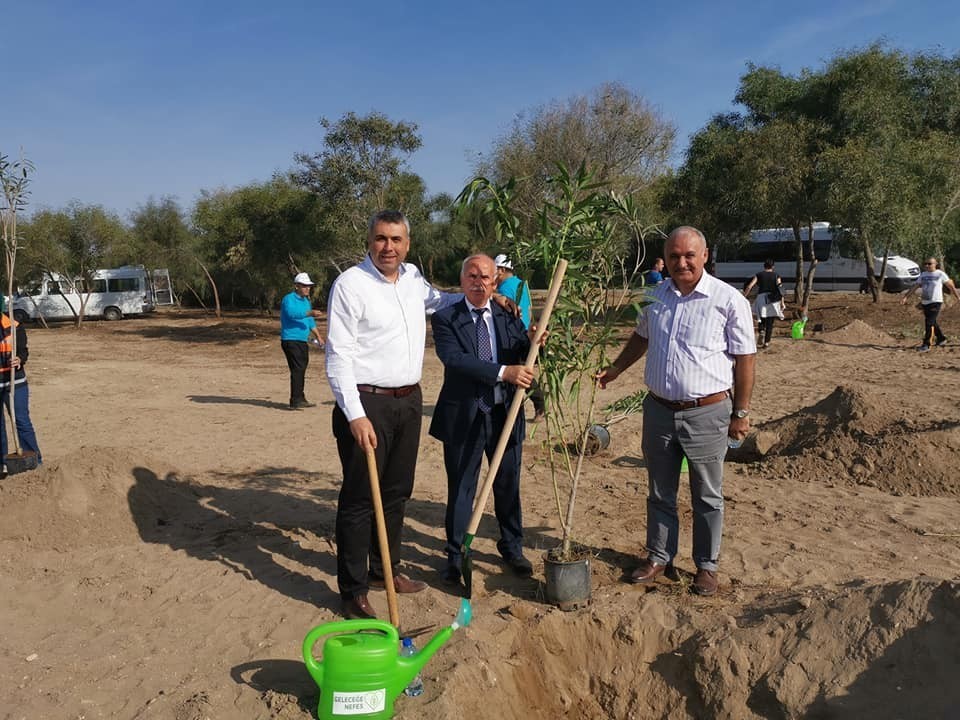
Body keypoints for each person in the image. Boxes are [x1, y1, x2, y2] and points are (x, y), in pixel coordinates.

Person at [325, 210, 517, 619]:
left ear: (407, 244)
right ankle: (353, 589)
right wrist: (355, 414)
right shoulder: (350, 285)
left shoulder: (413, 279)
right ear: (370, 241)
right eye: (380, 239)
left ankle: (386, 571)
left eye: (396, 239)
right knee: (360, 498)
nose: (388, 247)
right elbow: (337, 356)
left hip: (409, 401)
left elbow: (446, 299)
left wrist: (490, 296)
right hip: (367, 401)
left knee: (396, 493)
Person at [596, 226, 756, 597]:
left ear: (704, 256)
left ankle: (706, 566)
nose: (681, 262)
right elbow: (641, 336)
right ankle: (658, 556)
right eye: (673, 256)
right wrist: (618, 367)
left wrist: (741, 413)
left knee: (707, 494)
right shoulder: (655, 295)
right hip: (658, 411)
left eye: (688, 255)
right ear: (665, 259)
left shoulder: (728, 300)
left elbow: (745, 360)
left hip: (708, 412)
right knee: (659, 489)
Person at [430, 254, 538, 587]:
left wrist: (536, 341)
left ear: (496, 281)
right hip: (464, 416)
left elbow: (523, 351)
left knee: (508, 484)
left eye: (487, 277)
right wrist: (505, 373)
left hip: (504, 415)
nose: (480, 283)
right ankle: (455, 555)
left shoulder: (507, 316)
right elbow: (456, 360)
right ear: (462, 280)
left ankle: (512, 547)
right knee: (462, 490)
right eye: (473, 276)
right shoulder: (446, 318)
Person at [494, 254, 545, 419]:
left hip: (512, 335)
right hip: (525, 333)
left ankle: (540, 405)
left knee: (520, 373)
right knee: (522, 371)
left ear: (501, 270)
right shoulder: (522, 284)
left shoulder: (504, 289)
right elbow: (529, 309)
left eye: (495, 271)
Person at [0, 300, 42, 478]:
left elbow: (24, 351)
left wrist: (19, 359)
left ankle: (35, 461)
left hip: (15, 382)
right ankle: (2, 464)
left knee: (22, 421)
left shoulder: (14, 326)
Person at [280, 272, 324, 410]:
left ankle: (300, 397)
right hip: (290, 339)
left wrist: (318, 335)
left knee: (301, 368)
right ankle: (295, 400)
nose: (307, 289)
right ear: (297, 286)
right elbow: (291, 314)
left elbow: (310, 321)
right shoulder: (288, 299)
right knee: (298, 368)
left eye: (309, 286)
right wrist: (309, 313)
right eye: (304, 286)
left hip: (302, 340)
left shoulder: (306, 302)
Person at [900, 257, 960, 351]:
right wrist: (906, 297)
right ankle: (941, 338)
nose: (927, 266)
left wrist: (958, 297)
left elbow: (951, 286)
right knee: (932, 322)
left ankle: (927, 344)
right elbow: (915, 286)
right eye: (925, 264)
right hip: (925, 302)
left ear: (935, 264)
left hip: (936, 302)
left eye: (929, 264)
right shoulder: (923, 275)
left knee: (929, 323)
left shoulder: (940, 274)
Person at [743, 259, 785, 348]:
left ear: (764, 266)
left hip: (761, 298)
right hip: (773, 299)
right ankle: (766, 343)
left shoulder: (759, 275)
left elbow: (750, 286)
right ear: (773, 266)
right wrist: (782, 302)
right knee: (770, 322)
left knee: (761, 317)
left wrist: (743, 297)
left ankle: (761, 330)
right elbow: (780, 289)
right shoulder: (776, 275)